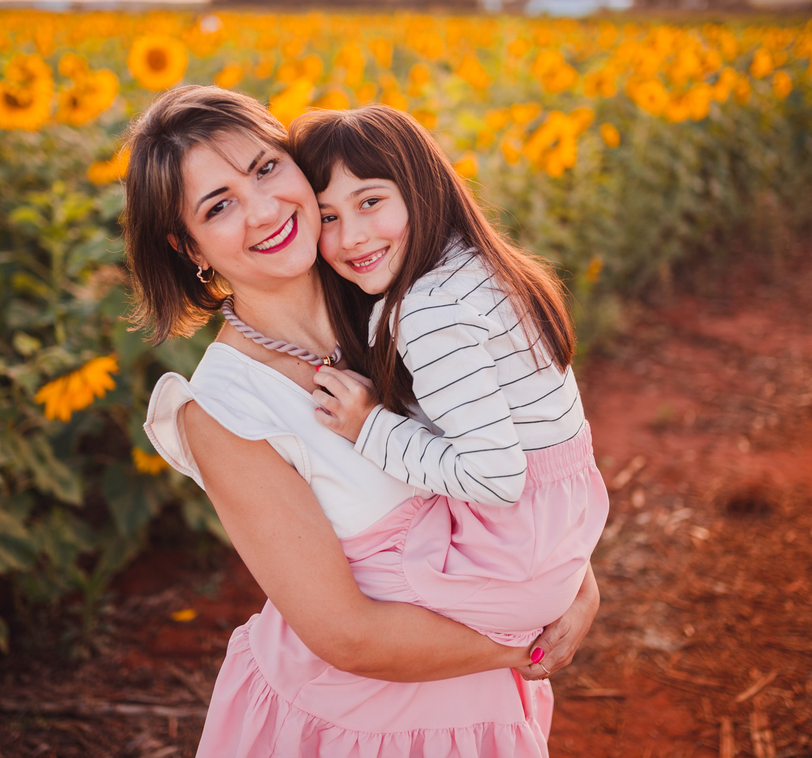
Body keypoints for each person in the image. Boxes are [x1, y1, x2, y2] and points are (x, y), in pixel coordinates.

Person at [125, 85, 600, 756]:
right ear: (190, 247)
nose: (263, 210)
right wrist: (524, 641)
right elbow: (345, 633)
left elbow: (527, 455)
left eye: (265, 168)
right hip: (351, 727)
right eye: (220, 206)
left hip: (481, 703)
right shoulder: (224, 410)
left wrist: (578, 582)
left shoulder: (399, 289)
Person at [289, 105, 610, 651]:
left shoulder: (428, 312)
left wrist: (369, 427)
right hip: (560, 532)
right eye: (327, 218)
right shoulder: (478, 265)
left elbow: (495, 480)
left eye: (370, 202)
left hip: (511, 553)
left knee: (318, 620)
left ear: (420, 189)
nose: (352, 238)